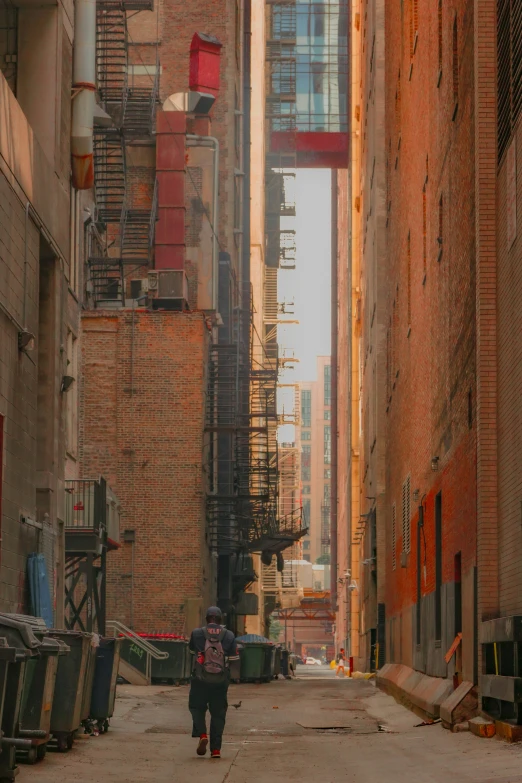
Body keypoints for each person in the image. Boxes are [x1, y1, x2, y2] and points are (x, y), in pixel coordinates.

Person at [188, 606, 239, 759]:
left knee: (196, 707)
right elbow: (234, 660)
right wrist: (231, 678)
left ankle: (202, 734)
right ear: (220, 619)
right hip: (220, 681)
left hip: (200, 679)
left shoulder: (197, 634)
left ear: (207, 618)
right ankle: (216, 750)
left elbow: (191, 653)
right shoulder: (229, 635)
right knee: (218, 714)